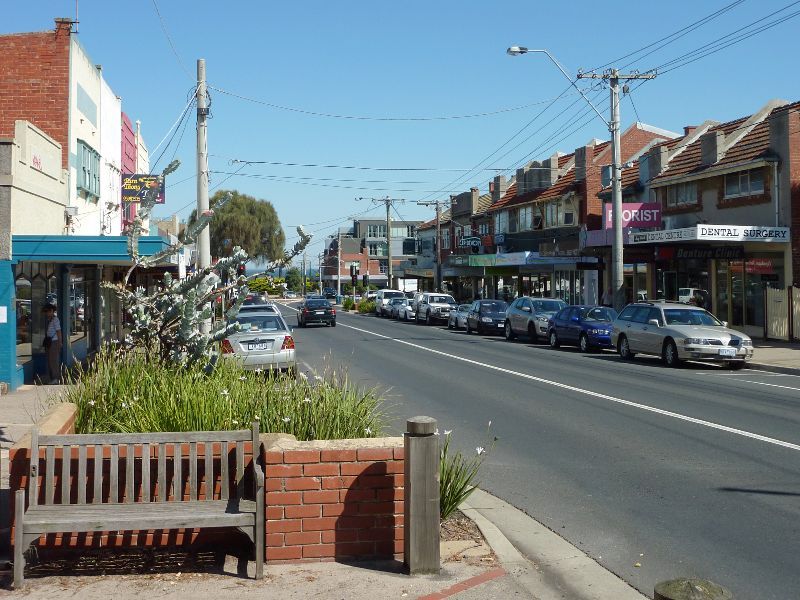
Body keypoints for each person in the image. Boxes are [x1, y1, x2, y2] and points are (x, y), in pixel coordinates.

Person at [42, 304, 62, 384]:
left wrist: (60, 343)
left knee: (53, 361)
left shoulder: (55, 320)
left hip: (54, 342)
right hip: (49, 342)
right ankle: (52, 378)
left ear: (52, 311)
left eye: (47, 311)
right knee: (50, 361)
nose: (46, 313)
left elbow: (59, 332)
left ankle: (55, 379)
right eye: (45, 312)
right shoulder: (50, 320)